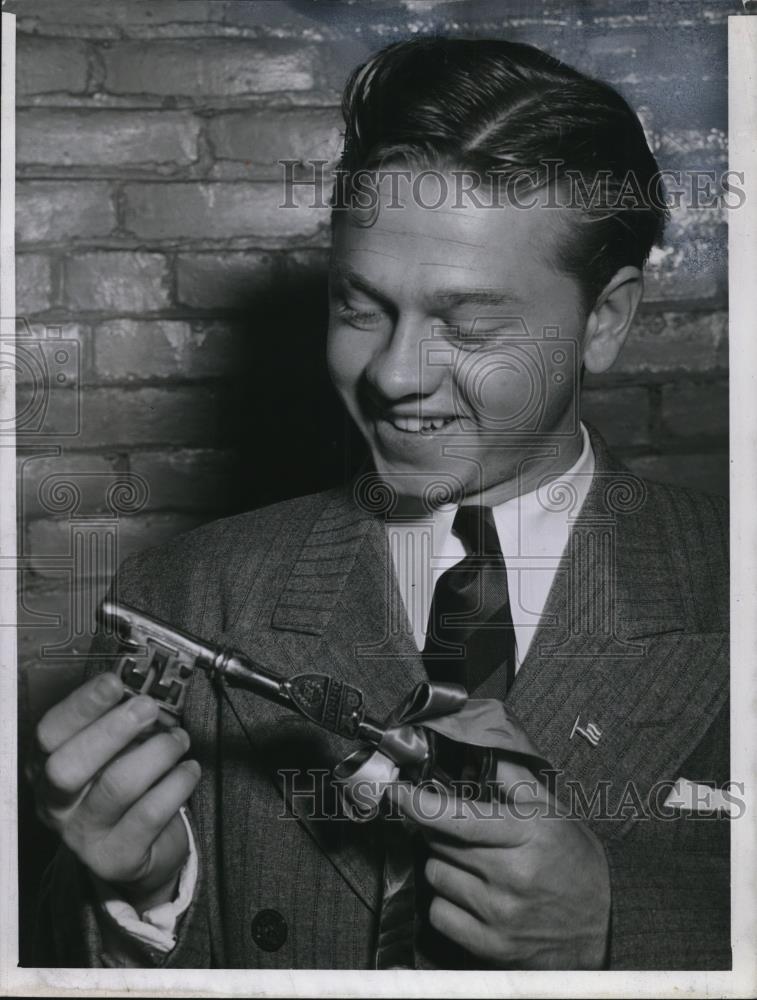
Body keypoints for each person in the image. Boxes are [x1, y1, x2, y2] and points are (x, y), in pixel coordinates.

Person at [29, 37, 730, 970]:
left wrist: (617, 927)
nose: (393, 376)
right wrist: (144, 897)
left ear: (603, 319)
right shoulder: (184, 598)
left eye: (468, 326)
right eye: (359, 309)